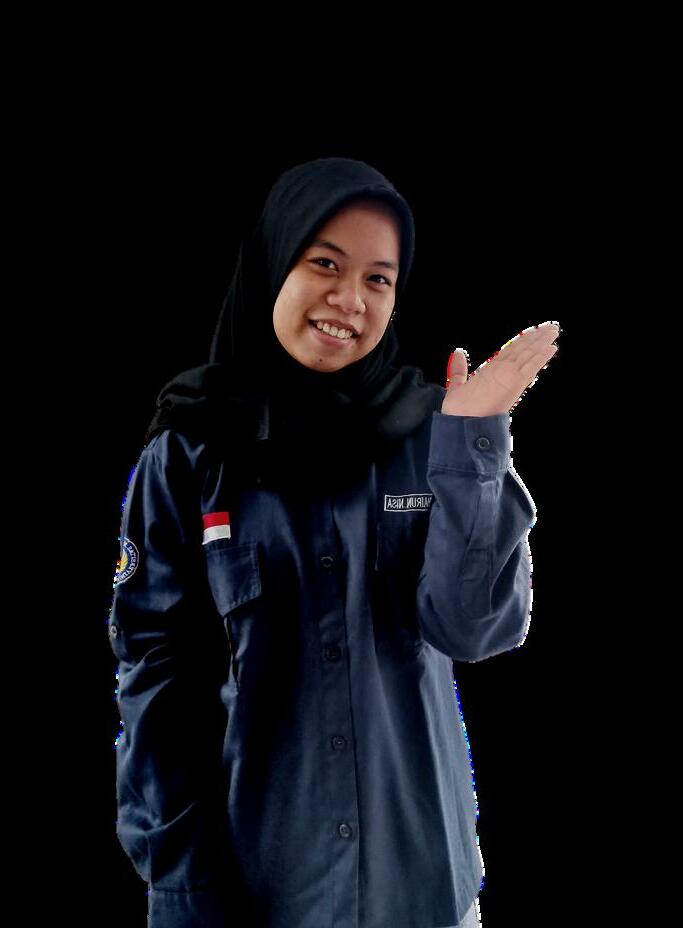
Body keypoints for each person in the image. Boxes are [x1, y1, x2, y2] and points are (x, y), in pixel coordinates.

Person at [108, 156, 560, 927]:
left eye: (378, 279)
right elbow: (156, 683)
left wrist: (472, 444)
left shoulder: (430, 437)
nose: (350, 299)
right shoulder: (189, 455)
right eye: (324, 263)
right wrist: (180, 883)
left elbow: (472, 630)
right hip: (258, 890)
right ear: (273, 261)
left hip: (420, 888)